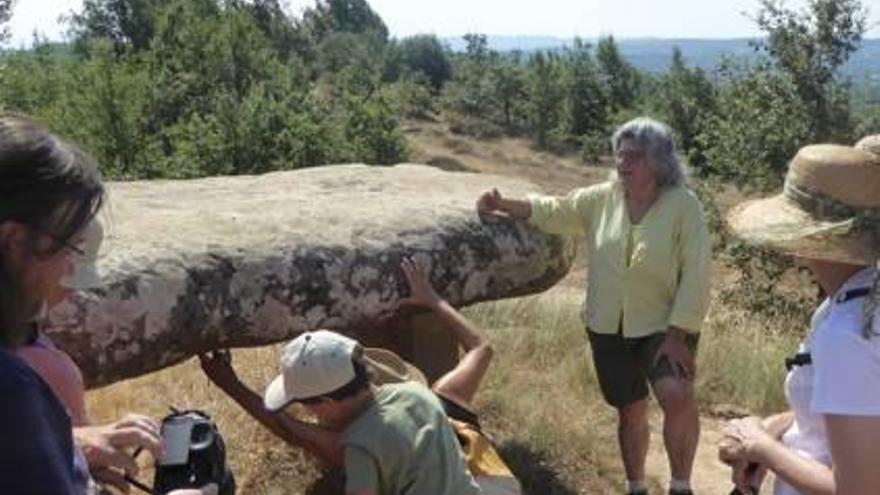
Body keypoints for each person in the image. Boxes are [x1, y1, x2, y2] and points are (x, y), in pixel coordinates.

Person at [476, 116, 711, 495]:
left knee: (677, 395)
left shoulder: (684, 206)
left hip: (664, 326)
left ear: (658, 161)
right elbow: (555, 209)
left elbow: (697, 273)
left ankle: (681, 486)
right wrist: (504, 204)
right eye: (619, 155)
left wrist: (678, 335)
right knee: (630, 409)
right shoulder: (602, 199)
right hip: (607, 326)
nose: (622, 163)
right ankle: (636, 486)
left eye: (633, 156)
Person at [0, 112, 214, 495]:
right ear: (12, 242)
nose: (70, 278)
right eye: (69, 247)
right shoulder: (10, 389)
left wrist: (75, 447)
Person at [200, 257, 521, 494]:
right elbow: (482, 347)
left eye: (307, 405)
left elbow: (290, 430)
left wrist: (229, 383)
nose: (308, 413)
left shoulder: (358, 446)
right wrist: (431, 299)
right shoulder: (423, 394)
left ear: (325, 402)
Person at [718, 143, 880, 495]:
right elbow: (855, 416)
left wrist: (762, 450)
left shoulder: (848, 332)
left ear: (815, 236)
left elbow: (859, 489)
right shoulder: (862, 300)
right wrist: (773, 428)